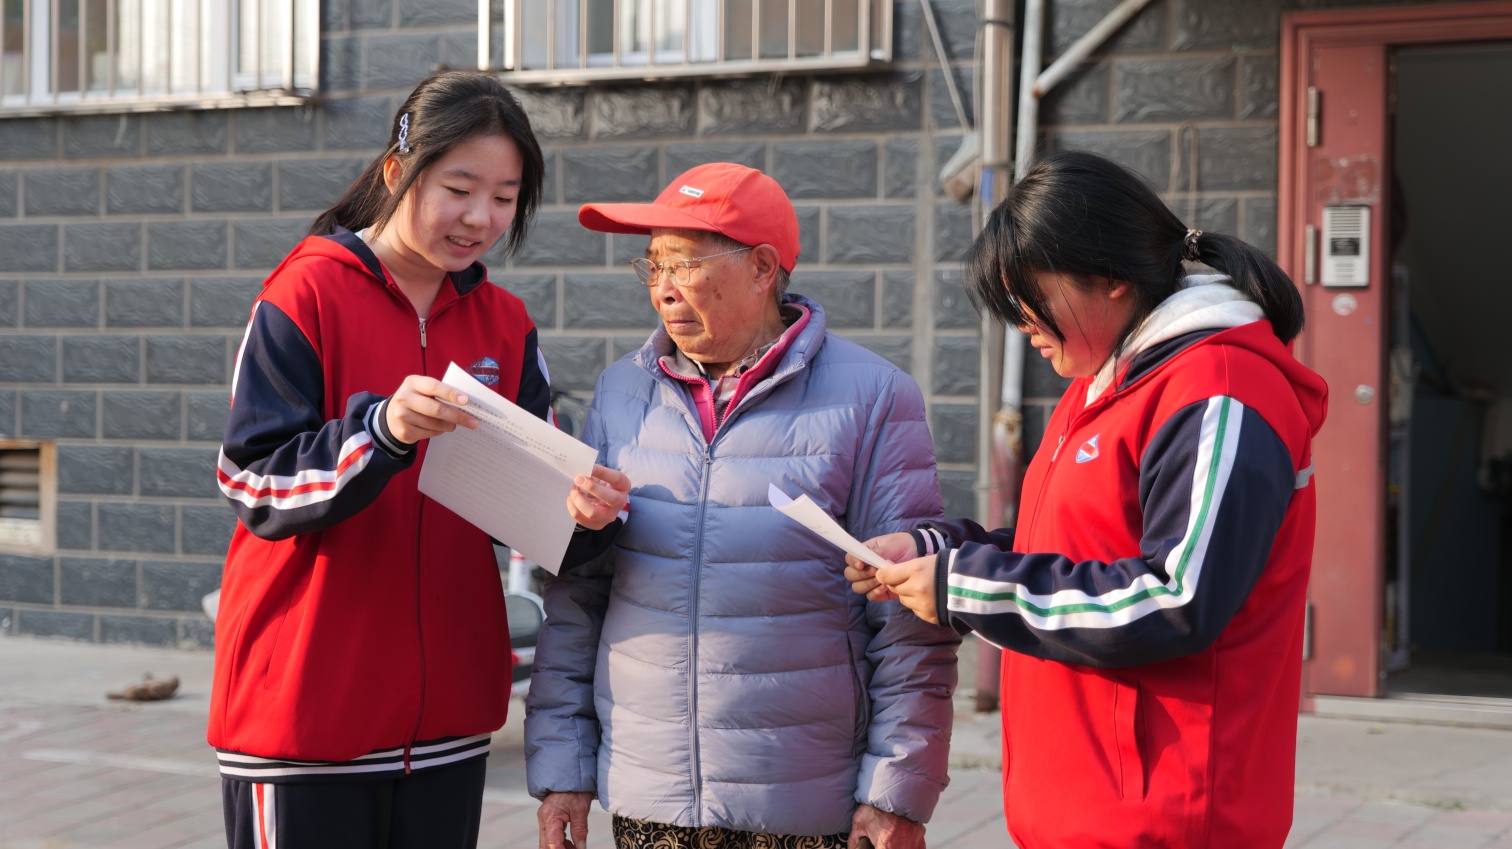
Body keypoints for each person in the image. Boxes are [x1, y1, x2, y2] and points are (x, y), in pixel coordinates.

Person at [846, 150, 1329, 848]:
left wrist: (962, 586)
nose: (1021, 323)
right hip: (1086, 807)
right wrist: (934, 550)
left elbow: (1176, 595)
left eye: (1030, 296)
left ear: (1107, 277)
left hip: (1169, 816)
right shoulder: (1103, 382)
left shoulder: (1220, 388)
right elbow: (1065, 547)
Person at [210, 70, 630, 849]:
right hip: (304, 719)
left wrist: (590, 516)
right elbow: (252, 480)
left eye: (504, 197)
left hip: (448, 726)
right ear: (399, 173)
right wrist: (381, 433)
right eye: (460, 188)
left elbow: (539, 509)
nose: (480, 218)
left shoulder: (506, 323)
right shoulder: (304, 295)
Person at [524, 162, 959, 849]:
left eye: (685, 265)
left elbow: (908, 618)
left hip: (806, 802)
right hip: (650, 797)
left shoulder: (874, 397)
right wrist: (563, 766)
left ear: (762, 269)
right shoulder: (621, 393)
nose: (663, 289)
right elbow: (578, 594)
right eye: (653, 266)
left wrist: (896, 791)